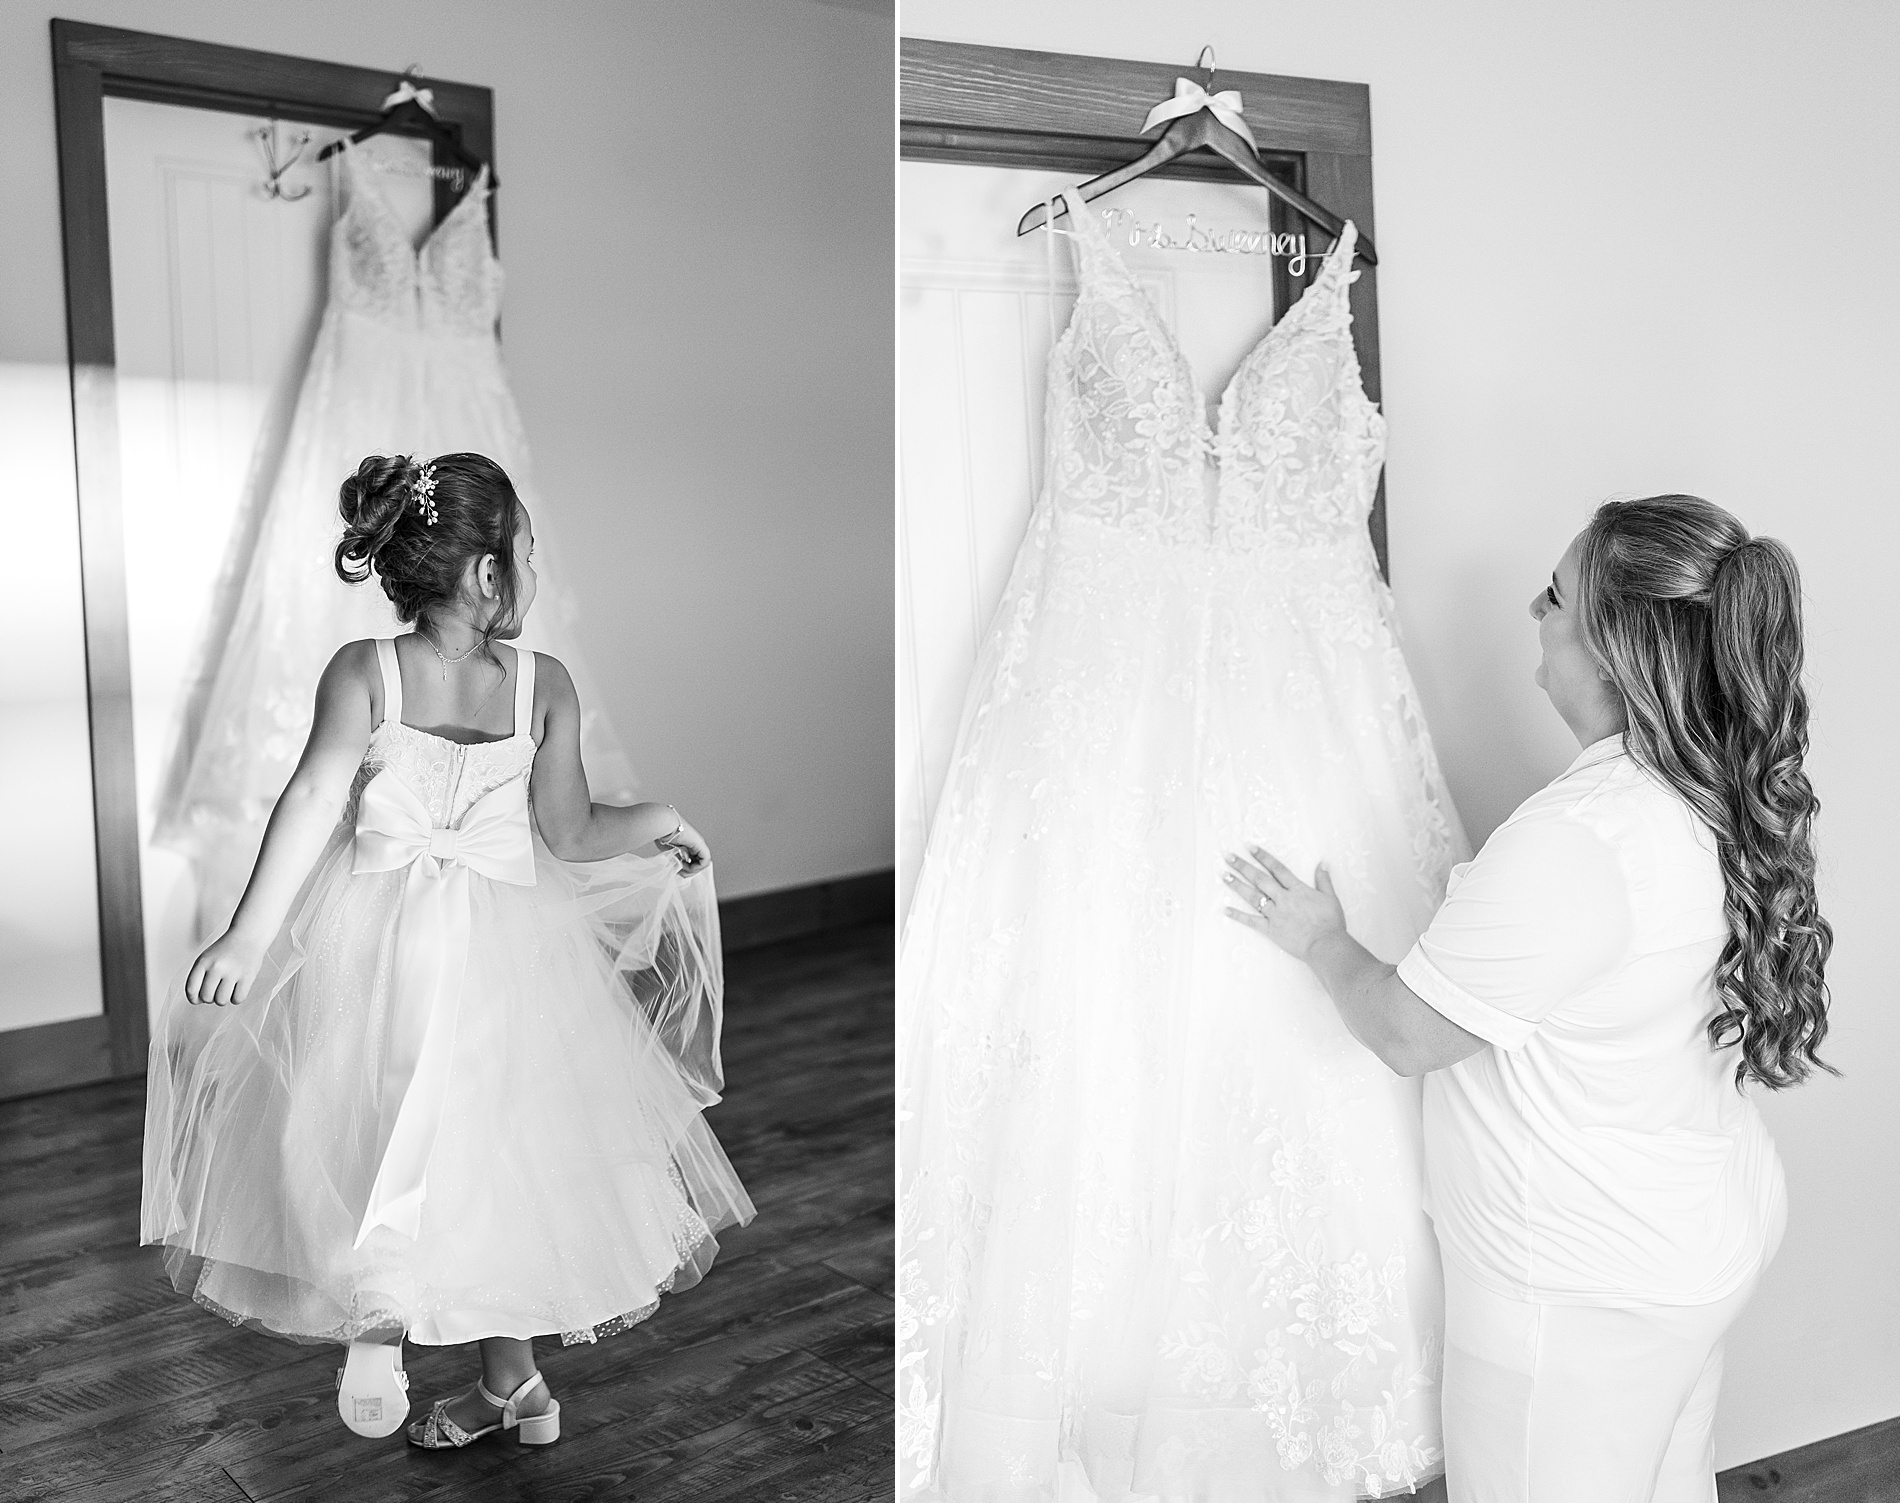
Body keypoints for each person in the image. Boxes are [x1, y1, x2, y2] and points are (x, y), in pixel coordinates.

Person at [142, 453, 755, 1450]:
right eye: (526, 551)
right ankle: (461, 1357)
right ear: (486, 574)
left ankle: (453, 1355)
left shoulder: (366, 669)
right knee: (499, 1156)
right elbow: (570, 832)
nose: (533, 569)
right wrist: (660, 820)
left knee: (361, 1124)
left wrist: (252, 938)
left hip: (374, 942)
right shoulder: (540, 685)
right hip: (506, 958)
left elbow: (310, 801)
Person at [1225, 494, 1830, 1501]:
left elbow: (1406, 1031)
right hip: (1692, 1227)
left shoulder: (1582, 838)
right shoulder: (1718, 781)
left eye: (1554, 596)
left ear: (1609, 651)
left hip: (1582, 1287)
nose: (1532, 610)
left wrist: (1323, 942)